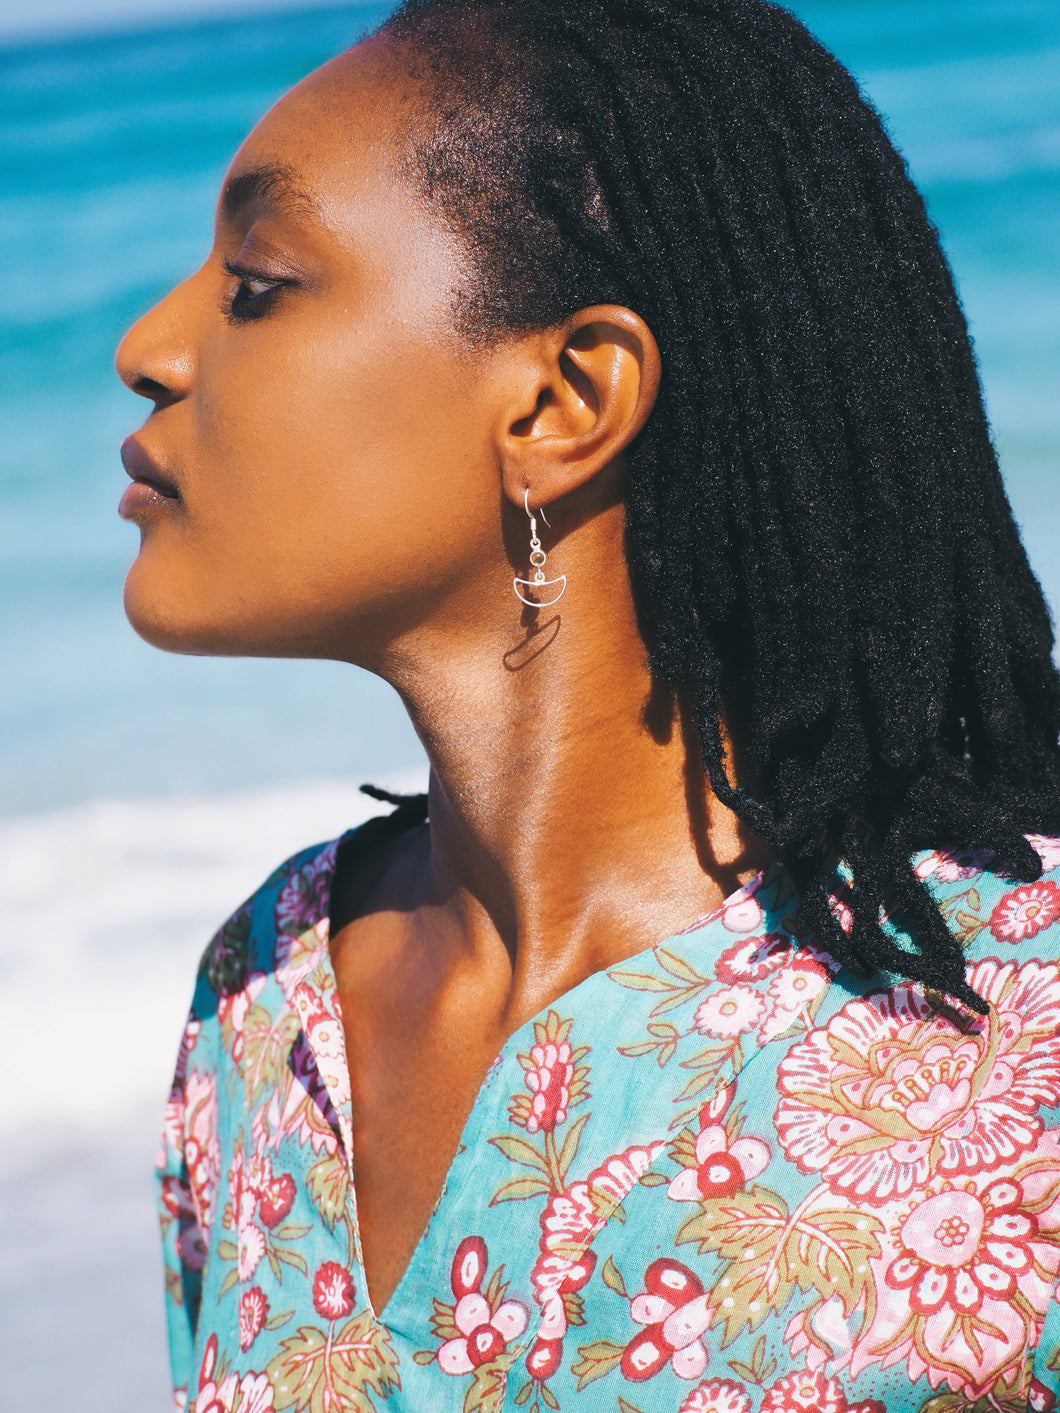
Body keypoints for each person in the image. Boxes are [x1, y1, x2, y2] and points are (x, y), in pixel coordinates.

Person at [115, 1, 1060, 1409]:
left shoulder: (1016, 1031)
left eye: (257, 281)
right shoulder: (262, 998)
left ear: (563, 400)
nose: (151, 344)